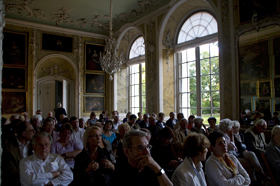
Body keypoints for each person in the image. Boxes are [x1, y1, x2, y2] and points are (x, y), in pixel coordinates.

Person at [2, 121, 35, 186]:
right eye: (31, 131)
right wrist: (28, 173)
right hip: (16, 181)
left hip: (34, 179)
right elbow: (11, 170)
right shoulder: (9, 148)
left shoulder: (33, 144)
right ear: (23, 133)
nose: (34, 132)